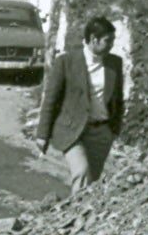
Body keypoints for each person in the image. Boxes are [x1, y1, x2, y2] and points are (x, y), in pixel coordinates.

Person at [35, 16, 124, 196]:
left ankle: (84, 220)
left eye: (113, 40)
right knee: (82, 172)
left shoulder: (114, 63)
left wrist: (114, 129)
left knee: (93, 182)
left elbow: (118, 99)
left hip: (101, 133)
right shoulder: (66, 62)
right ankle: (76, 214)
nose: (112, 45)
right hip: (72, 131)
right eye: (108, 40)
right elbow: (51, 99)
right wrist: (42, 134)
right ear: (93, 39)